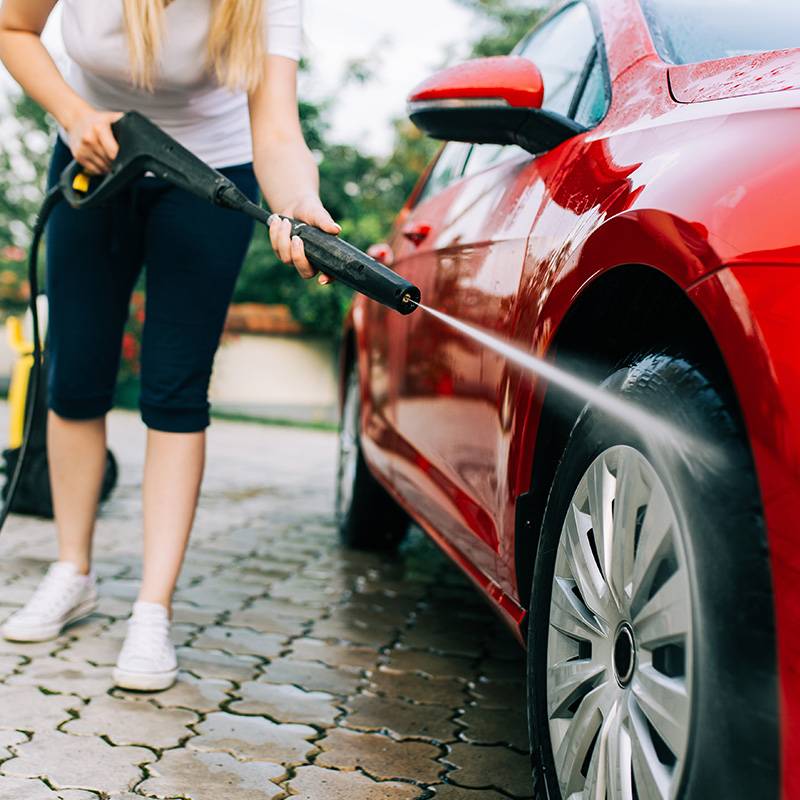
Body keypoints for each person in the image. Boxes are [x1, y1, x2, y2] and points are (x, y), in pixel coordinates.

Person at [0, 0, 336, 691]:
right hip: (93, 155)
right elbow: (12, 28)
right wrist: (72, 112)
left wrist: (299, 200)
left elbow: (275, 128)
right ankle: (73, 569)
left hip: (208, 176)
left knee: (175, 390)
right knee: (75, 377)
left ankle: (152, 610)